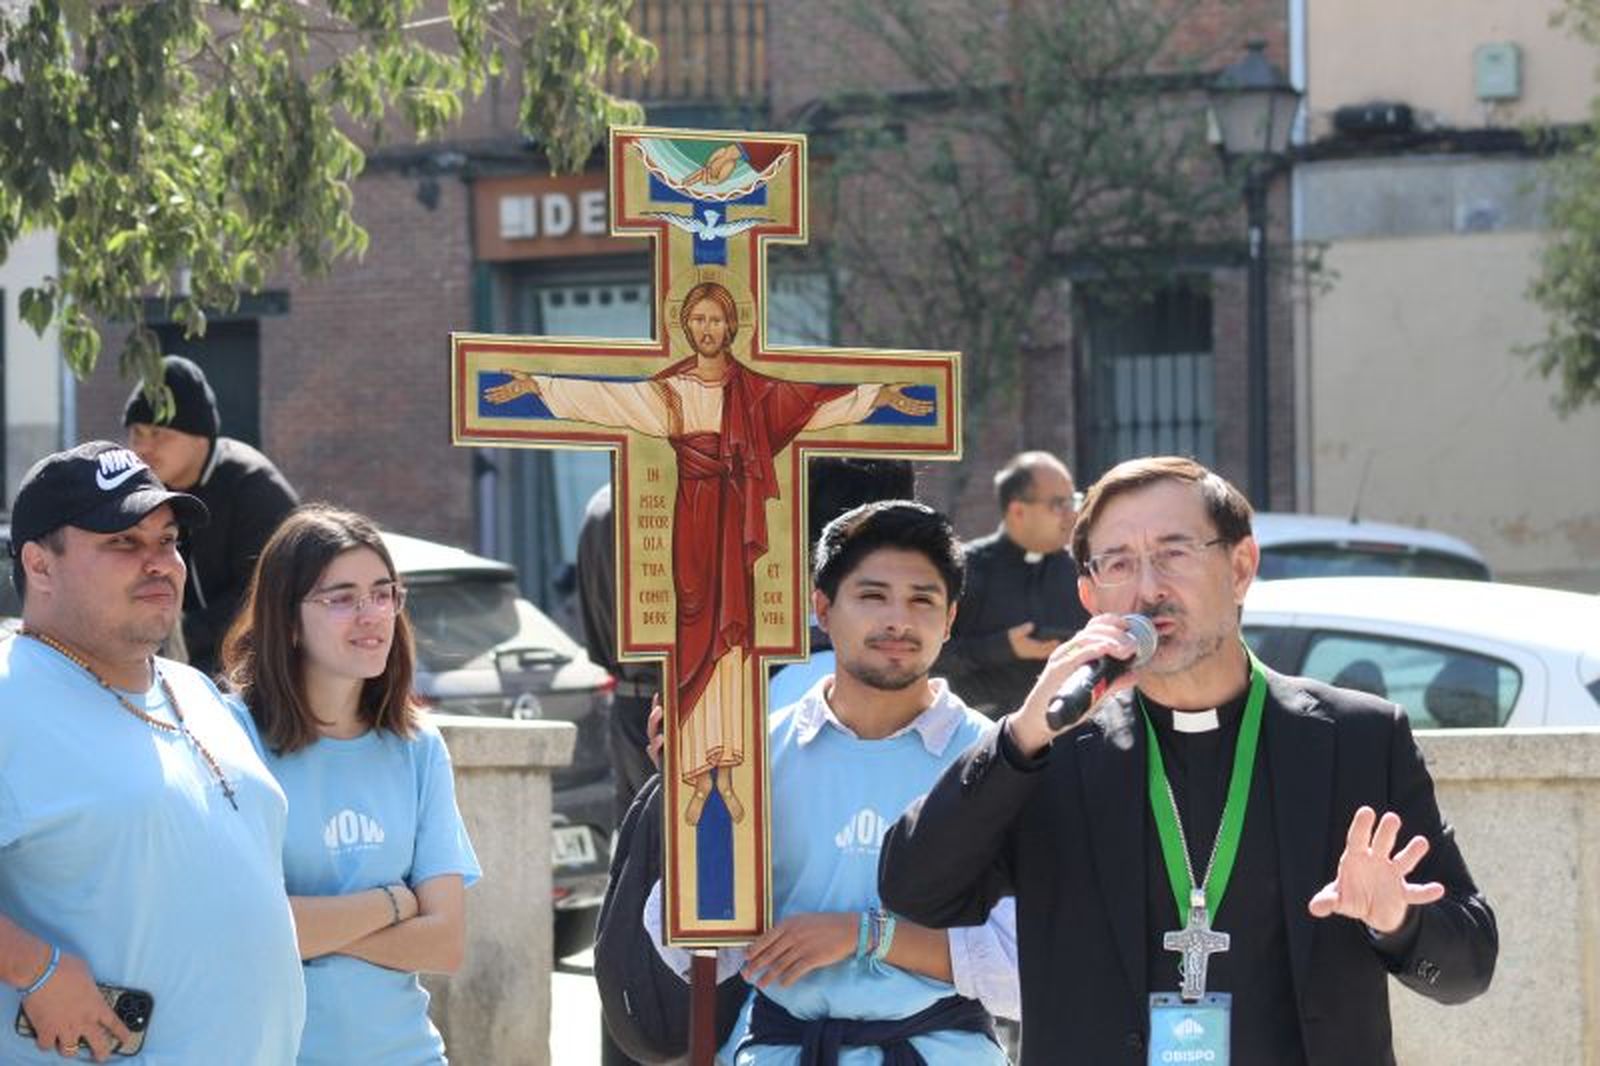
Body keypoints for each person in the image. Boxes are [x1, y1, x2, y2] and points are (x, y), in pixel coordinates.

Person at [880, 456, 1498, 1065]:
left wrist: (1397, 919)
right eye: (1119, 563)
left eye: (1174, 552)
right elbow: (916, 892)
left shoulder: (1356, 738)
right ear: (1091, 596)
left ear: (1241, 566)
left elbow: (1468, 968)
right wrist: (1017, 736)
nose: (1149, 588)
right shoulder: (1050, 752)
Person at [485, 280, 931, 826]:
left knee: (734, 647)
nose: (708, 332)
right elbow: (604, 397)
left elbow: (813, 406)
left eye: (717, 322)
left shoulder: (758, 394)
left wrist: (873, 398)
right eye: (697, 322)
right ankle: (702, 786)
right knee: (702, 646)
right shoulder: (668, 394)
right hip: (694, 532)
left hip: (739, 540)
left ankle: (718, 780)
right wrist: (541, 387)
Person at [640, 501, 1019, 1064]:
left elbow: (1020, 971)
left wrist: (867, 935)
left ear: (950, 618)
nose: (898, 621)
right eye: (871, 596)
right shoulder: (755, 754)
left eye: (922, 600)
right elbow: (689, 950)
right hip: (781, 1049)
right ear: (822, 608)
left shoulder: (994, 762)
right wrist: (692, 805)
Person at [0, 440, 304, 1063]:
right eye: (123, 543)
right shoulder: (9, 690)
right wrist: (35, 968)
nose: (160, 562)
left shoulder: (196, 689)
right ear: (40, 564)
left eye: (167, 541)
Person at [220, 504, 481, 1066]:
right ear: (287, 621)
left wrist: (315, 931)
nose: (371, 615)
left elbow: (445, 942)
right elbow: (243, 930)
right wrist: (393, 901)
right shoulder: (230, 736)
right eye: (341, 598)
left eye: (383, 593)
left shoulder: (418, 748)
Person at [125, 354, 300, 675]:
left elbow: (266, 598)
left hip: (255, 672)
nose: (143, 448)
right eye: (137, 433)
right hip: (176, 661)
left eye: (159, 433)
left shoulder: (254, 488)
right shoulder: (143, 490)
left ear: (201, 436)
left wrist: (177, 636)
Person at [933, 450, 1089, 718]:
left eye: (1072, 502)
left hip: (1066, 733)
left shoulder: (1081, 571)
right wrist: (1002, 647)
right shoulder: (965, 568)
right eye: (1058, 505)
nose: (1071, 515)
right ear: (1018, 511)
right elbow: (928, 655)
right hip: (981, 735)